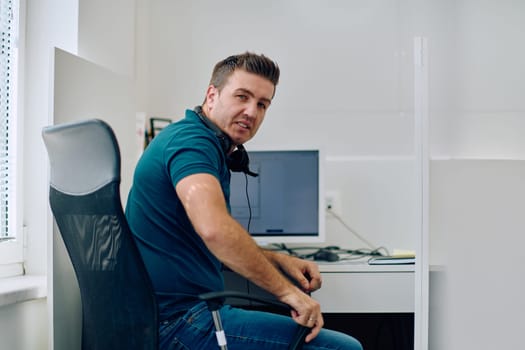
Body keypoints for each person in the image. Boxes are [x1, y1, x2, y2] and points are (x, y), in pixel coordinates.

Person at [125, 52, 362, 350]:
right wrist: (288, 293)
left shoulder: (200, 141)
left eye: (262, 104)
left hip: (167, 317)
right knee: (343, 348)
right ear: (212, 95)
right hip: (177, 323)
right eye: (242, 96)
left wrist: (278, 260)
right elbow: (214, 229)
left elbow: (210, 238)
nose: (252, 111)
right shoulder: (191, 144)